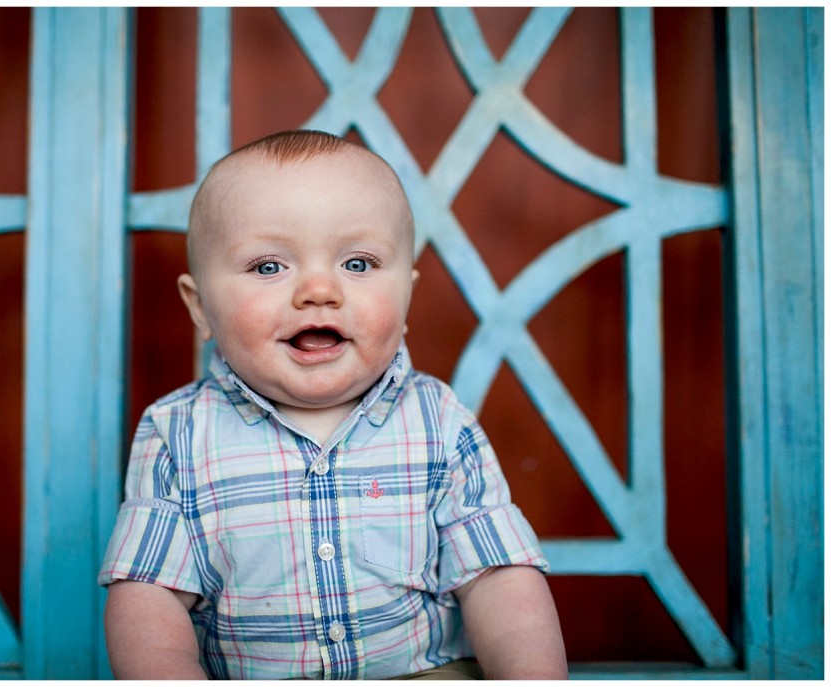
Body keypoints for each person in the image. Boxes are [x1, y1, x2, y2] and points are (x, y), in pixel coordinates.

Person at [98, 130, 567, 680]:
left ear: (407, 297)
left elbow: (497, 577)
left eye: (360, 264)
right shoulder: (176, 433)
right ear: (201, 308)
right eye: (269, 266)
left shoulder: (438, 421)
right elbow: (148, 595)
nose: (320, 290)